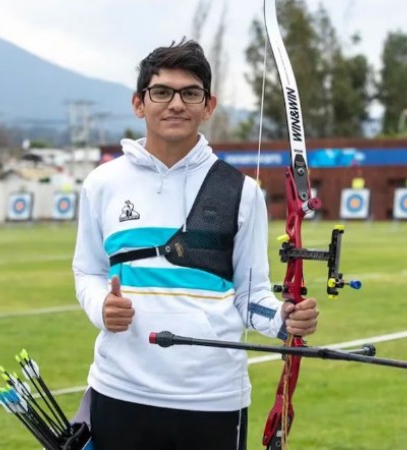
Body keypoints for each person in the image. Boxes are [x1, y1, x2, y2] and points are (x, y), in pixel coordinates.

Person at [72, 38, 319, 450]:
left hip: (212, 398)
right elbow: (89, 270)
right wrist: (101, 306)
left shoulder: (242, 192)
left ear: (209, 105)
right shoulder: (103, 183)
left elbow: (251, 294)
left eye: (190, 93)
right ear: (139, 103)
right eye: (162, 92)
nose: (175, 104)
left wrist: (284, 319)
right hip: (120, 390)